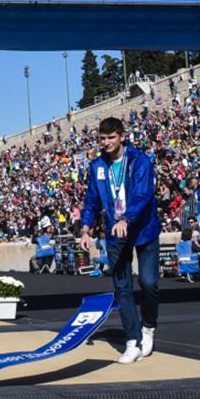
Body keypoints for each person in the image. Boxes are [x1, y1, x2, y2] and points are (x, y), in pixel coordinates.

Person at [79, 117, 162, 365]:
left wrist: (126, 218)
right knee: (122, 287)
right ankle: (132, 341)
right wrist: (85, 228)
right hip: (115, 232)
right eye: (102, 139)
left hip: (143, 228)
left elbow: (143, 194)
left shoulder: (139, 161)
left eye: (111, 137)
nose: (106, 143)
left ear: (122, 136)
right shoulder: (97, 166)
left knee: (148, 283)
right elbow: (92, 199)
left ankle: (148, 327)